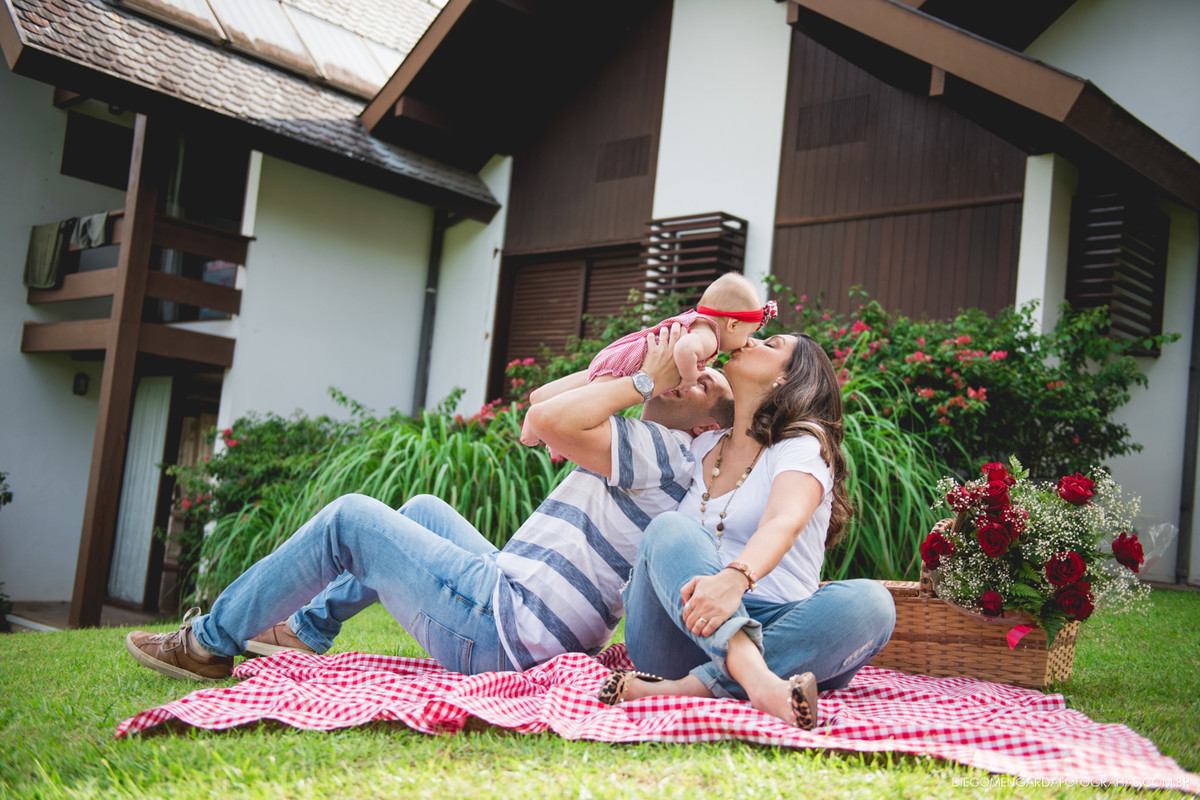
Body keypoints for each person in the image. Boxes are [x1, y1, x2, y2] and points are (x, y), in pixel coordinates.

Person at [125, 326, 734, 681]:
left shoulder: (670, 451)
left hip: (507, 631)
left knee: (349, 520)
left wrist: (646, 380)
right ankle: (308, 629)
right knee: (420, 508)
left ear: (707, 426)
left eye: (704, 383)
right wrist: (635, 355)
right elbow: (538, 411)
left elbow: (546, 420)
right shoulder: (662, 448)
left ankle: (207, 644)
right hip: (525, 617)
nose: (689, 374)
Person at [597, 333, 896, 730]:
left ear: (787, 380)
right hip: (681, 624)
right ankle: (758, 682)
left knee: (872, 603)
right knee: (670, 528)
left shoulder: (801, 446)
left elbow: (783, 521)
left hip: (783, 629)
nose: (749, 340)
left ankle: (688, 689)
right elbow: (583, 409)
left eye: (769, 345)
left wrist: (735, 579)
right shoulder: (700, 445)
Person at [520, 272, 776, 446]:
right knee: (581, 403)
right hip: (633, 364)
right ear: (732, 324)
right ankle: (536, 420)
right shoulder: (709, 337)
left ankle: (541, 419)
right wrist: (689, 378)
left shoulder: (696, 322)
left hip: (625, 354)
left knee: (575, 397)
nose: (747, 342)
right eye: (750, 334)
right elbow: (686, 349)